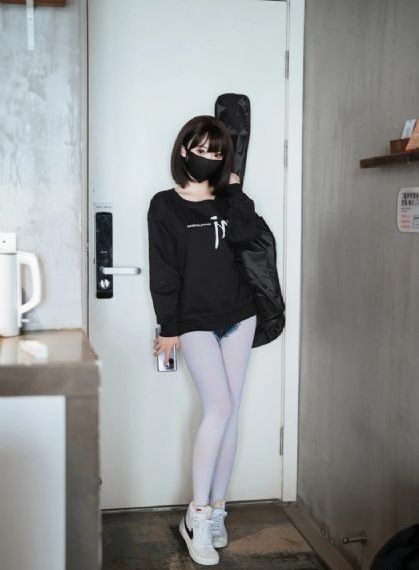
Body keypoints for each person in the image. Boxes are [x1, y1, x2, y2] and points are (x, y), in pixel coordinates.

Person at [147, 115, 262, 566]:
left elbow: (248, 236)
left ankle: (216, 511)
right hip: (193, 321)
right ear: (183, 150)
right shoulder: (165, 205)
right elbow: (164, 269)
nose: (208, 159)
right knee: (218, 407)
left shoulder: (228, 201)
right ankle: (195, 516)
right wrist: (168, 327)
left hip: (239, 316)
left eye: (217, 154)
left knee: (230, 413)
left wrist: (235, 191)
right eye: (201, 151)